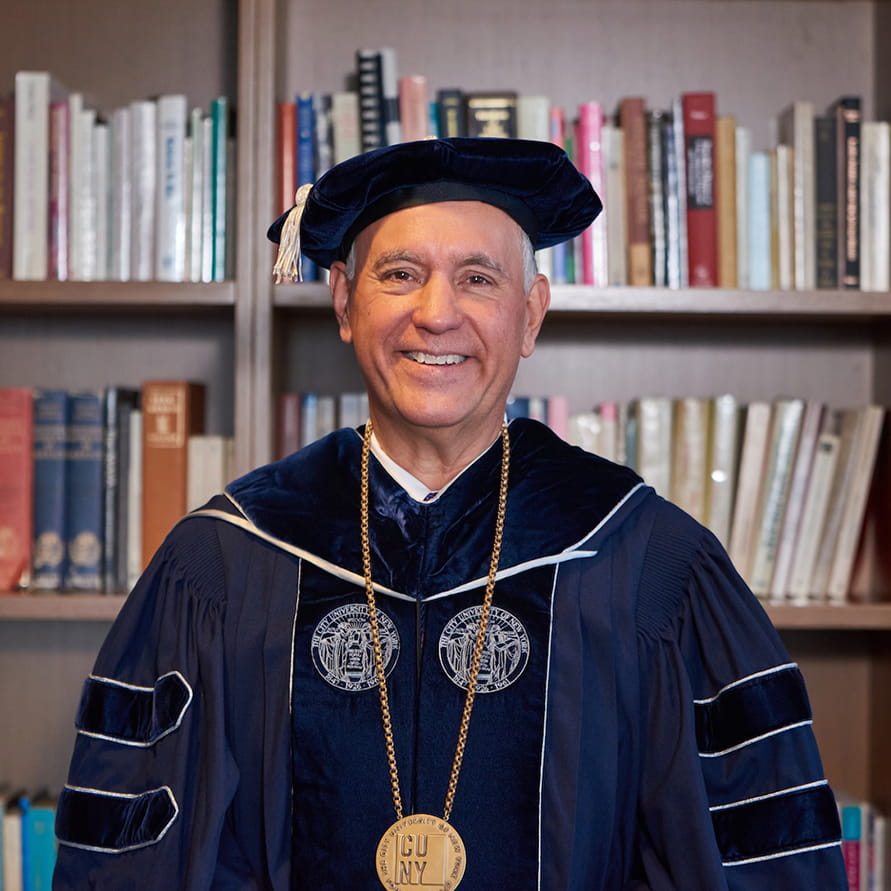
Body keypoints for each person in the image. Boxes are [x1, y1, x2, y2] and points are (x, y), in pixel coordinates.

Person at [53, 137, 847, 890]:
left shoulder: (646, 562)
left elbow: (752, 856)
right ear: (343, 302)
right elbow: (132, 861)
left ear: (530, 313)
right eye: (399, 274)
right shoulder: (225, 561)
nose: (436, 314)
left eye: (478, 279)